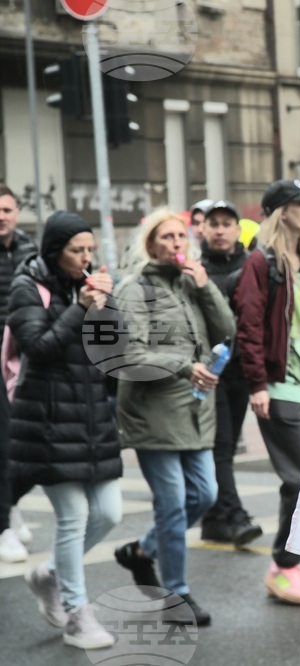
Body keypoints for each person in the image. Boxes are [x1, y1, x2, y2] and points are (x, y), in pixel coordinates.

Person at [113, 209, 235, 627]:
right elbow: (130, 356)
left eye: (182, 235)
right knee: (172, 505)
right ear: (151, 244)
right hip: (153, 412)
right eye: (166, 237)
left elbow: (226, 333)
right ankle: (176, 594)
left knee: (204, 494)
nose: (177, 243)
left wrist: (206, 290)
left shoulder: (189, 283)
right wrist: (184, 366)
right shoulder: (134, 289)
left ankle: (141, 551)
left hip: (194, 410)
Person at [8, 212, 121, 649]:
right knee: (73, 517)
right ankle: (78, 615)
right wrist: (80, 309)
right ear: (55, 251)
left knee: (109, 512)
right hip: (48, 420)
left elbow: (114, 354)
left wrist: (108, 308)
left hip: (92, 417)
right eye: (78, 251)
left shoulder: (88, 286)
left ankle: (50, 573)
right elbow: (38, 347)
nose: (86, 258)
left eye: (91, 250)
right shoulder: (27, 286)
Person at [234, 179, 300, 603]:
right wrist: (257, 383)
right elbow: (249, 325)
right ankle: (284, 565)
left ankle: (287, 565)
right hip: (280, 386)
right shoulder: (261, 263)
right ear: (282, 211)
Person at [197, 200, 263, 548]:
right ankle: (235, 516)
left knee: (224, 447)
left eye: (226, 223)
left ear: (238, 230)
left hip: (241, 370)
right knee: (221, 447)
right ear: (203, 229)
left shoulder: (252, 265)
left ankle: (213, 521)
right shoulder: (194, 268)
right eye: (214, 224)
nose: (220, 229)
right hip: (206, 373)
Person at [0, 184, 39, 563]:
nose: (1, 216)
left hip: (23, 359)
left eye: (7, 209)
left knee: (26, 446)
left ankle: (11, 507)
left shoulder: (30, 251)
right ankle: (5, 524)